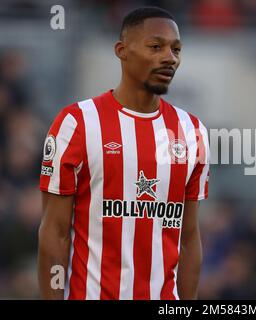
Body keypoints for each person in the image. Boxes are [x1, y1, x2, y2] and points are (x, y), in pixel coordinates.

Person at [37, 6, 210, 300]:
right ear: (122, 50)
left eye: (176, 49)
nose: (169, 57)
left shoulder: (192, 131)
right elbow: (54, 232)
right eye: (156, 46)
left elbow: (189, 237)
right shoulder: (77, 123)